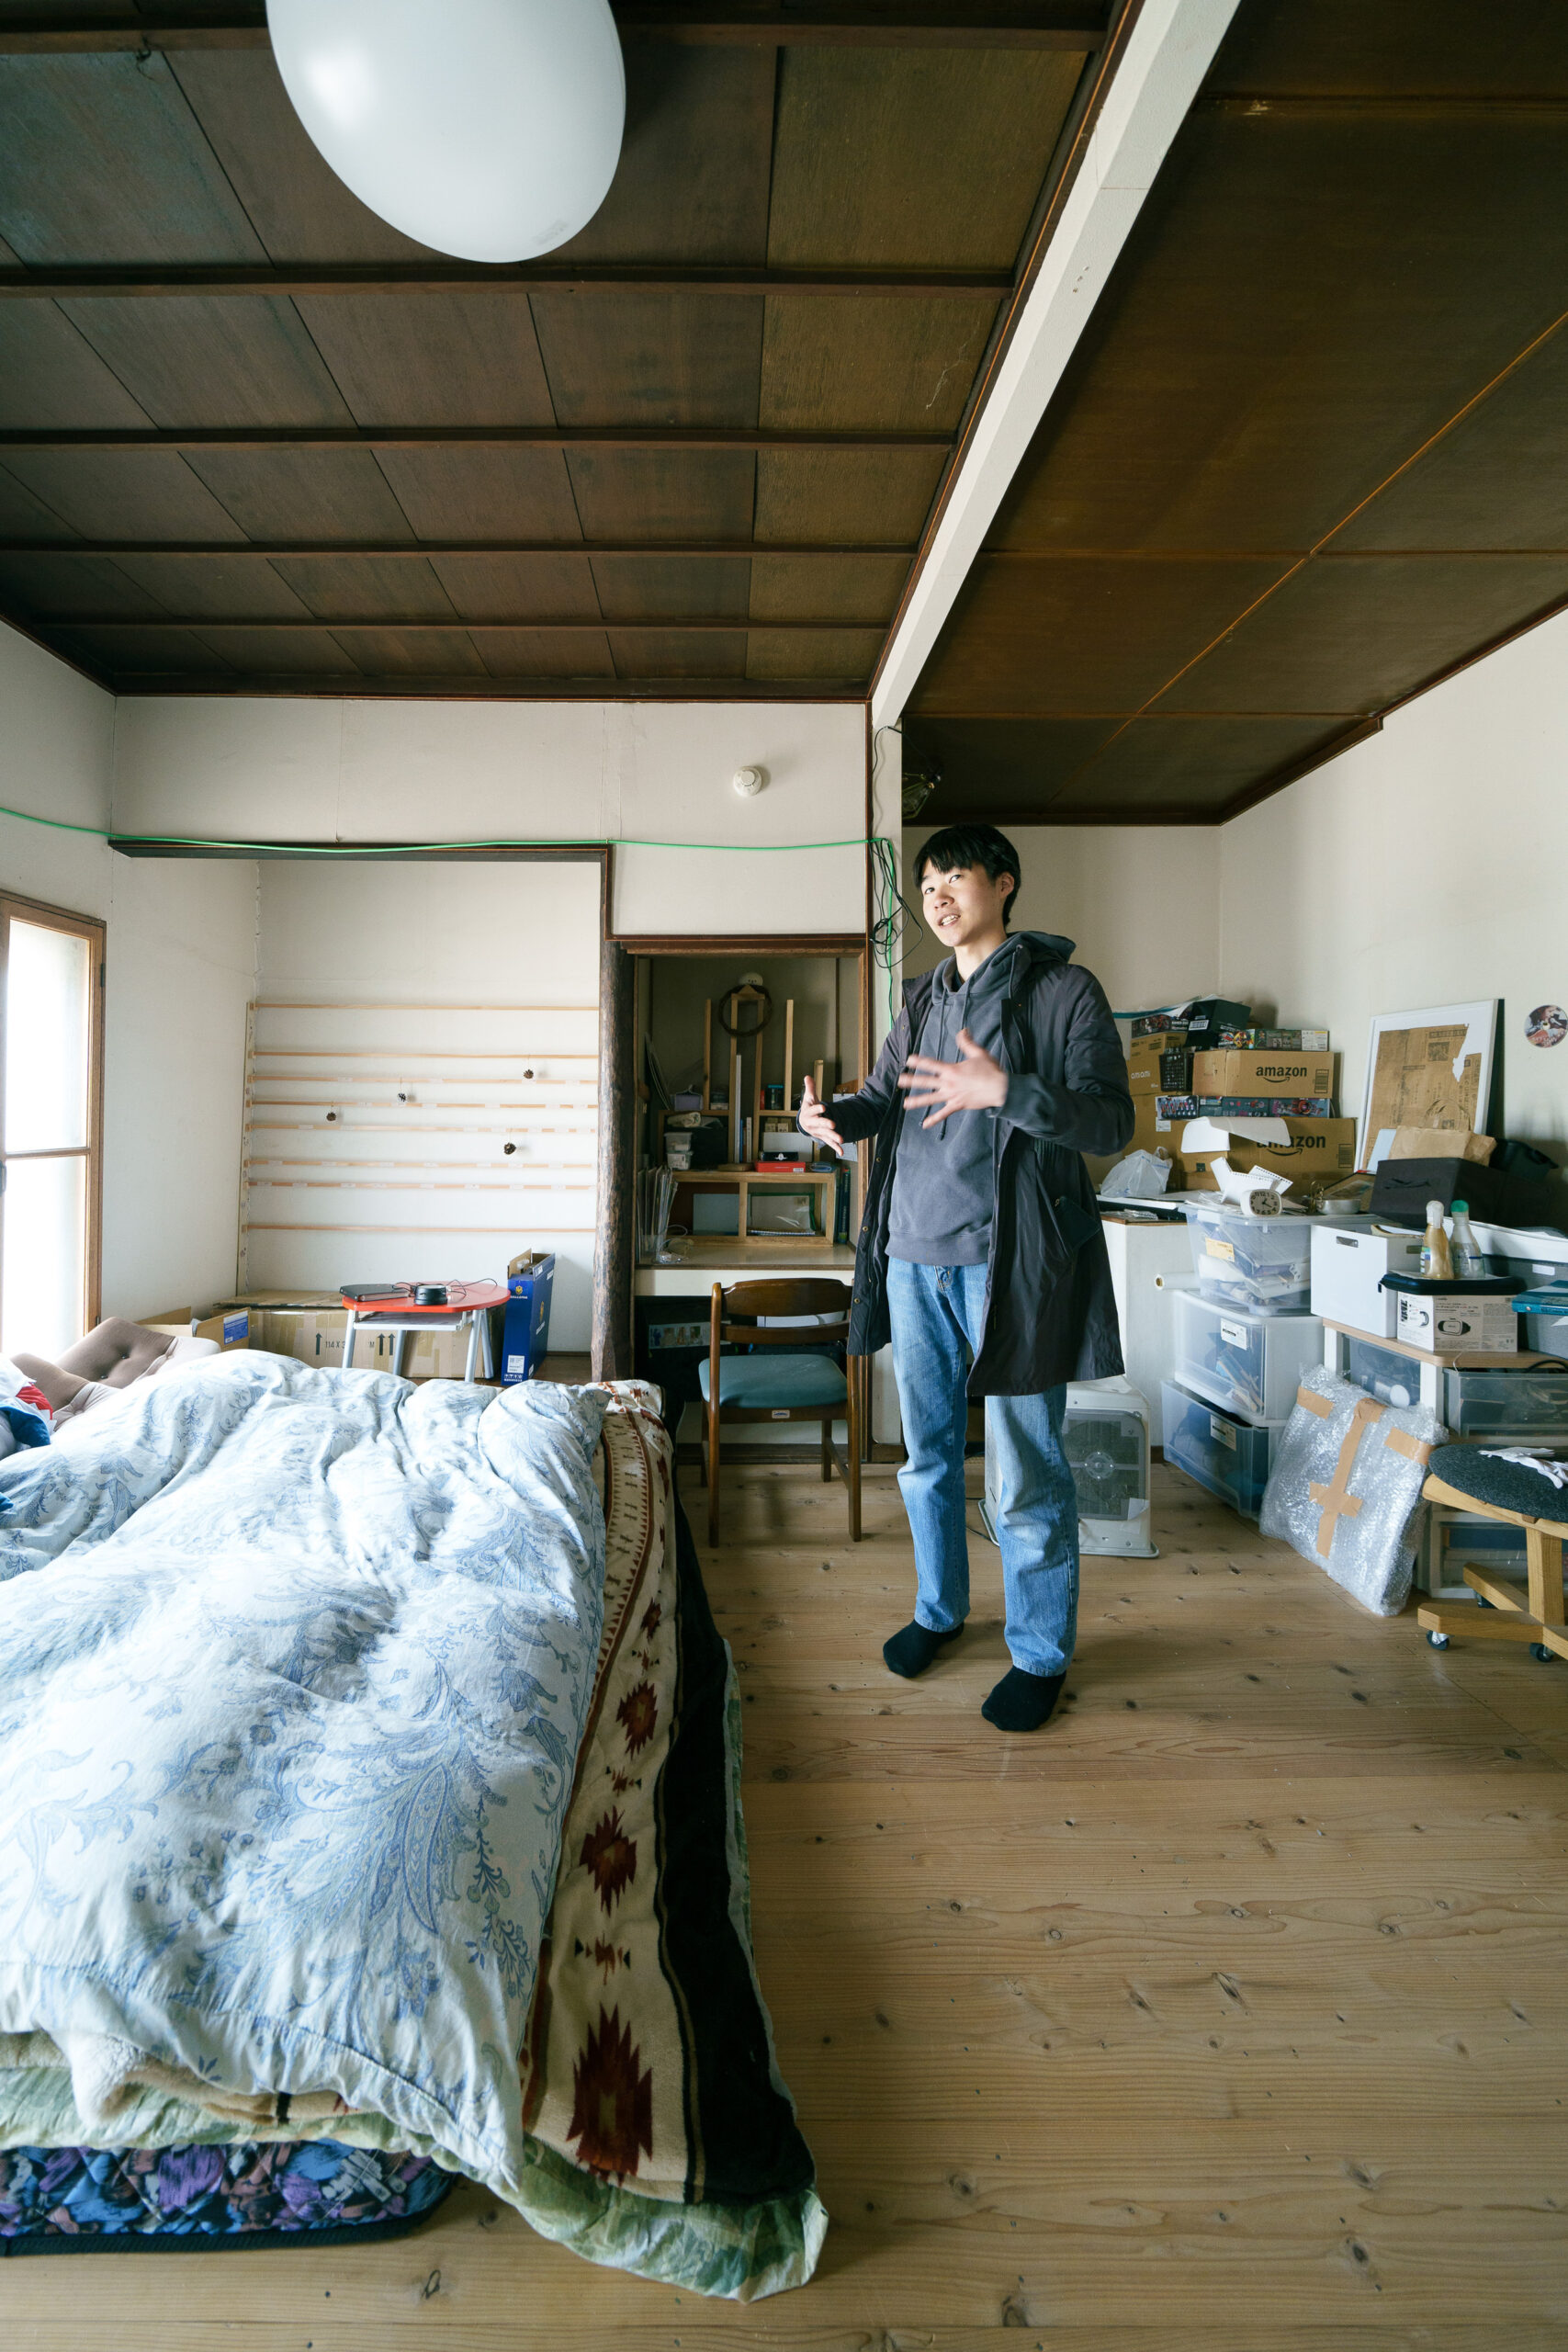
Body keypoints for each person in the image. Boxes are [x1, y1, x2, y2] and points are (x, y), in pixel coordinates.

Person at [798, 823, 1134, 1733]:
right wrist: (832, 1121)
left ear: (1004, 882)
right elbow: (883, 1100)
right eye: (927, 885)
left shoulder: (1063, 991)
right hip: (911, 1257)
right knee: (927, 1458)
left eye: (954, 877)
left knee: (1024, 1471)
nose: (937, 896)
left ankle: (1038, 1653)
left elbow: (1111, 1122)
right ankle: (939, 1610)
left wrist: (1007, 1091)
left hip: (1010, 1268)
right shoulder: (921, 996)